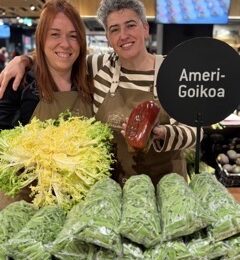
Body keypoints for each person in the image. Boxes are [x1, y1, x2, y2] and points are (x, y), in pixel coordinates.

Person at [0, 0, 201, 186]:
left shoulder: (173, 72)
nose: (123, 35)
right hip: (113, 190)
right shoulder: (99, 66)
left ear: (145, 28)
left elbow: (196, 130)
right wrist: (24, 60)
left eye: (130, 25)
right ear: (108, 38)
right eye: (114, 29)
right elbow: (62, 56)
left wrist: (163, 134)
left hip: (166, 188)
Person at [0, 0, 93, 208]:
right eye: (55, 34)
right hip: (27, 204)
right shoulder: (19, 82)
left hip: (77, 207)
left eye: (73, 36)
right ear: (41, 38)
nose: (65, 44)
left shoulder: (89, 82)